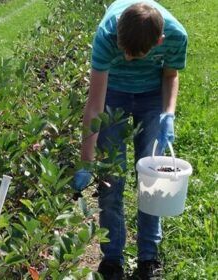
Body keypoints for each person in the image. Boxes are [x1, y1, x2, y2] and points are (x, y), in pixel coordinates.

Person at [72, 0, 187, 279]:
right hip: (113, 94)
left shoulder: (175, 36)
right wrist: (86, 162)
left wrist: (167, 114)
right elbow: (95, 105)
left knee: (151, 179)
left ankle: (149, 257)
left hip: (151, 97)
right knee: (111, 179)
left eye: (135, 55)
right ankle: (112, 259)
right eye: (123, 51)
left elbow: (170, 75)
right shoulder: (107, 34)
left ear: (159, 41)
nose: (126, 59)